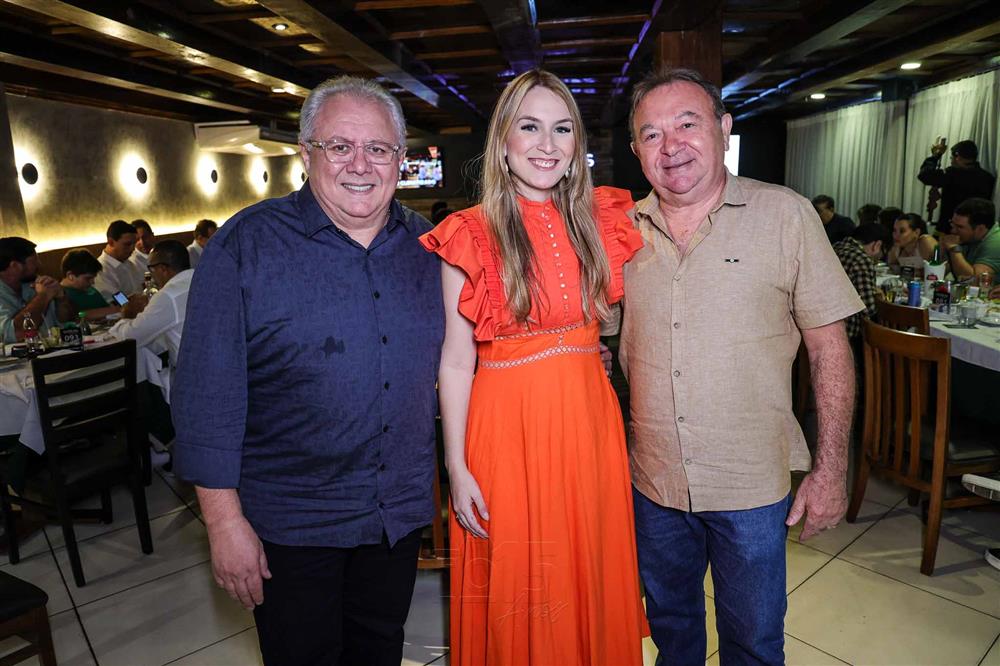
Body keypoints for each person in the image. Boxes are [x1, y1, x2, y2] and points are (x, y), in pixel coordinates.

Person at [172, 76, 444, 666]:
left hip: (393, 517)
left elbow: (470, 354)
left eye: (378, 148)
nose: (360, 165)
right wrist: (223, 524)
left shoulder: (430, 249)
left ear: (400, 158)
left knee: (379, 653)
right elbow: (205, 399)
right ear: (306, 152)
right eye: (339, 146)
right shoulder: (245, 246)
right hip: (291, 526)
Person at [623, 68, 863, 665]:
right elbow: (597, 344)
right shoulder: (620, 233)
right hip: (653, 482)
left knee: (753, 643)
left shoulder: (785, 215)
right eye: (652, 134)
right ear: (636, 151)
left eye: (687, 124)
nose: (671, 145)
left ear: (723, 128)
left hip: (751, 486)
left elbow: (830, 349)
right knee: (671, 633)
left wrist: (831, 467)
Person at [421, 69, 646, 666]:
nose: (547, 145)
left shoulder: (600, 221)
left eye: (562, 129)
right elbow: (456, 360)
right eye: (530, 127)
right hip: (508, 434)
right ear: (502, 141)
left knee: (585, 569)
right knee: (526, 585)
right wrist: (456, 467)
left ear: (577, 145)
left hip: (590, 426)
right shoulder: (470, 233)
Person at [109, 240, 192, 373]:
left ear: (163, 269)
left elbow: (131, 338)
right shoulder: (205, 280)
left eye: (151, 269)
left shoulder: (168, 295)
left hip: (192, 374)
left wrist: (127, 315)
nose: (152, 277)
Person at [0, 237, 74, 343]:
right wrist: (43, 296)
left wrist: (61, 298)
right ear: (15, 266)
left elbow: (67, 321)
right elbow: (16, 333)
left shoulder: (34, 284)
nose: (39, 265)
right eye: (34, 261)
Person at [918, 138, 995, 235]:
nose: (951, 161)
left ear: (958, 157)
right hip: (974, 232)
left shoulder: (952, 174)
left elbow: (925, 175)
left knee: (935, 245)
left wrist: (936, 155)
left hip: (949, 229)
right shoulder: (988, 178)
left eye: (951, 158)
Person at [834, 224, 890, 341]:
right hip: (846, 332)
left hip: (819, 325)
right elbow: (868, 309)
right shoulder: (861, 259)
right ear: (877, 245)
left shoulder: (835, 247)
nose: (877, 260)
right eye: (881, 255)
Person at [939, 197, 1000, 285]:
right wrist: (943, 250)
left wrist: (954, 249)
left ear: (980, 229)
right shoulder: (969, 238)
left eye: (959, 227)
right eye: (952, 224)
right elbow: (937, 275)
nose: (953, 231)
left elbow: (973, 282)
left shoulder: (996, 243)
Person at [59, 248, 121, 321]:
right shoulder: (61, 294)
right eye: (88, 278)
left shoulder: (89, 288)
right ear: (70, 276)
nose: (92, 282)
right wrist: (113, 310)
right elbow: (78, 315)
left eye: (93, 277)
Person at [94, 219, 144, 300]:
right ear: (111, 242)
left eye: (134, 243)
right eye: (127, 244)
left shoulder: (130, 264)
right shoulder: (101, 269)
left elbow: (141, 288)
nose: (132, 248)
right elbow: (116, 299)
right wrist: (131, 302)